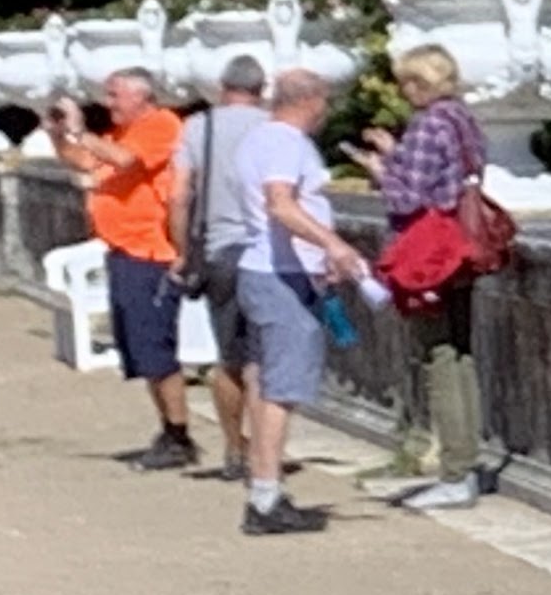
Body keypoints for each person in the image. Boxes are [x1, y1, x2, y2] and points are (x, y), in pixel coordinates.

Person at [228, 68, 387, 537]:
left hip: (265, 270)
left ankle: (264, 487)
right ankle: (265, 495)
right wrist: (332, 244)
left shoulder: (257, 140)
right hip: (281, 276)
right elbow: (280, 203)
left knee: (266, 380)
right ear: (312, 101)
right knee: (282, 388)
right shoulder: (286, 143)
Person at [358, 43, 494, 511]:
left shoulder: (428, 123)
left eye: (407, 84)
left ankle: (455, 470)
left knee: (438, 356)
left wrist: (379, 170)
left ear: (420, 83)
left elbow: (407, 198)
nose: (404, 93)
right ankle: (468, 461)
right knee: (461, 352)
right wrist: (397, 154)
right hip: (462, 246)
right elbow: (447, 179)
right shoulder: (462, 120)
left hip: (429, 252)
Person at [52, 65, 196, 469]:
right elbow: (85, 161)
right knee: (139, 350)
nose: (108, 102)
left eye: (115, 95)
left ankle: (179, 434)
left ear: (141, 96)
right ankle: (169, 428)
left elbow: (126, 161)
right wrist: (59, 134)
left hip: (151, 253)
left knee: (156, 349)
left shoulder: (161, 125)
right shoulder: (121, 133)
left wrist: (81, 131)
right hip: (124, 251)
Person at [173, 53, 270, 479]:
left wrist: (182, 251)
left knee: (229, 358)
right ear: (261, 89)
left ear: (222, 87)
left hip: (221, 253)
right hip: (268, 253)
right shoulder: (274, 127)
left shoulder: (199, 127)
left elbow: (179, 195)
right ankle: (266, 452)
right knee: (265, 359)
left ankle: (234, 446)